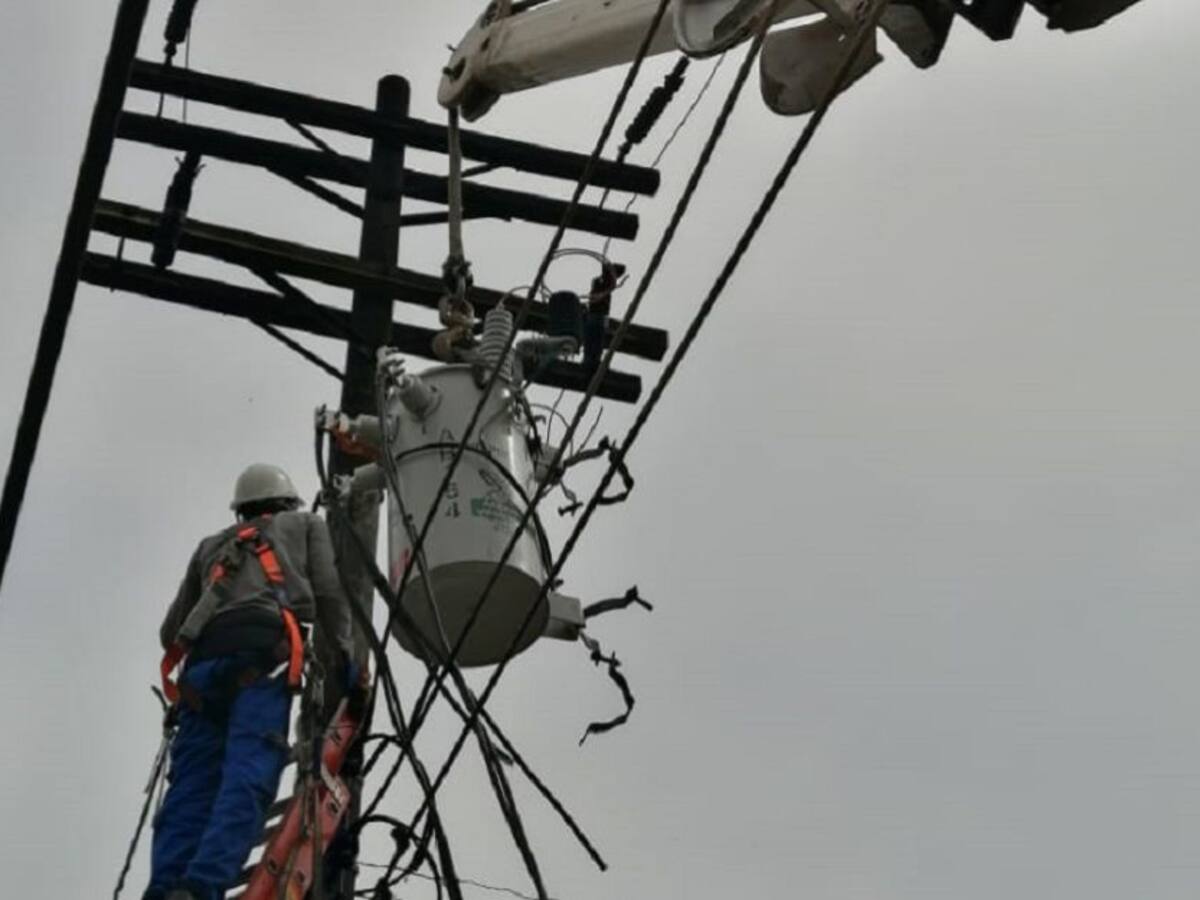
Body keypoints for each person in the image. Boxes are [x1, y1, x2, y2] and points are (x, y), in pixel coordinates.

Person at [144, 463, 355, 900]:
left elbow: (172, 633)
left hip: (201, 676)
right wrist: (347, 660)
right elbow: (332, 597)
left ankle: (165, 889)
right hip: (264, 661)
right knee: (247, 774)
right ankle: (201, 887)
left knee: (191, 789)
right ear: (287, 502)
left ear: (241, 510)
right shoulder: (305, 525)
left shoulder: (211, 547)